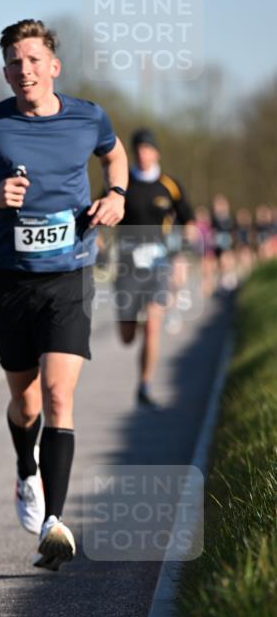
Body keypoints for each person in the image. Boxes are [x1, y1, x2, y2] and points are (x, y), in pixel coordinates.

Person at [0, 19, 127, 571]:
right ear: (5, 69)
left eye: (33, 60)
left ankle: (54, 523)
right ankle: (26, 470)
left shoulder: (88, 116)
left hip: (70, 273)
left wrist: (117, 195)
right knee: (26, 399)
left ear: (53, 66)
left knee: (59, 394)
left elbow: (115, 154)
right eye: (13, 61)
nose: (24, 70)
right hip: (10, 278)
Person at [114, 128, 194, 408]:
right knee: (126, 336)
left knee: (153, 325)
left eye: (147, 149)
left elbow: (189, 223)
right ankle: (131, 322)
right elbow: (104, 216)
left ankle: (145, 385)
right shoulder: (122, 183)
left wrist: (181, 256)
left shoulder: (169, 185)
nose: (142, 154)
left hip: (159, 265)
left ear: (156, 152)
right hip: (127, 267)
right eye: (137, 150)